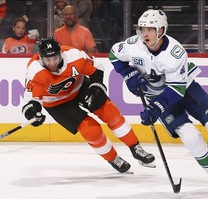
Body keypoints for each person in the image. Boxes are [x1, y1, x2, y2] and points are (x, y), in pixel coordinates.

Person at [109, 9, 208, 188]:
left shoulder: (175, 53)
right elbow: (114, 54)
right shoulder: (132, 45)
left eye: (150, 29)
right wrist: (128, 74)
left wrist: (156, 108)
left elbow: (177, 89)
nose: (145, 33)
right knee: (191, 137)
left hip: (186, 89)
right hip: (158, 96)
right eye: (142, 28)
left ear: (161, 30)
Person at [21, 37, 155, 173]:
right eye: (47, 60)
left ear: (61, 53)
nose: (52, 63)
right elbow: (32, 101)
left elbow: (96, 69)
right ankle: (113, 158)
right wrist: (33, 113)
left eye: (55, 58)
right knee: (91, 130)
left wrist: (96, 86)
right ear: (41, 58)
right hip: (57, 104)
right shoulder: (35, 70)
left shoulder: (74, 55)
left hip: (80, 88)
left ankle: (135, 147)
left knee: (110, 112)